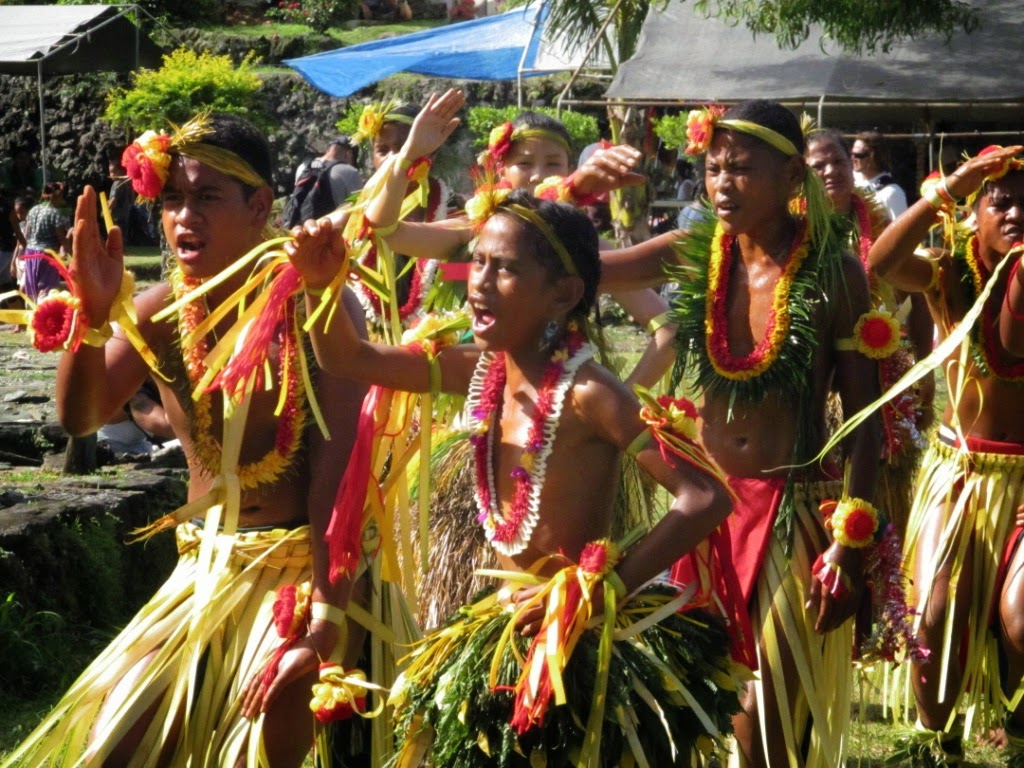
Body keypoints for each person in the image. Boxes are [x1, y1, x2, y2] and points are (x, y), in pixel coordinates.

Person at [286, 175, 742, 763]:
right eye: (476, 262)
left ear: (562, 294)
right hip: (502, 634)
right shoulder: (482, 371)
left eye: (505, 269)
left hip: (577, 650)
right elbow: (350, 358)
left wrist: (599, 593)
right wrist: (320, 286)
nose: (479, 282)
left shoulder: (588, 392)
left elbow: (705, 495)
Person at [0, 113, 368, 768]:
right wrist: (91, 314)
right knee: (112, 744)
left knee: (255, 750)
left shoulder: (317, 305)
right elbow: (82, 416)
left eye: (206, 198)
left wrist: (325, 625)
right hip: (202, 570)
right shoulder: (159, 313)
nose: (182, 218)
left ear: (260, 206)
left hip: (301, 573)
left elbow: (336, 477)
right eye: (171, 199)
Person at [597, 100, 883, 768]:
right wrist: (571, 194)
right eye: (714, 167)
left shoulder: (835, 275)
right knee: (698, 711)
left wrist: (848, 543)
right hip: (706, 512)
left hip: (792, 514)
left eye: (743, 169)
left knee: (770, 727)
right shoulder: (693, 256)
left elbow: (866, 423)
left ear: (791, 178)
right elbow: (586, 268)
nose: (724, 183)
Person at [867, 144, 1024, 763]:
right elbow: (881, 261)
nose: (1015, 213)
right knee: (931, 619)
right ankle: (938, 748)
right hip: (959, 473)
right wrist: (952, 188)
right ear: (973, 216)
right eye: (1001, 202)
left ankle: (1016, 730)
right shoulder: (947, 273)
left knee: (1021, 620)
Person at [805, 128, 933, 534]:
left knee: (883, 507)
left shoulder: (877, 223)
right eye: (818, 165)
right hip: (816, 387)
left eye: (839, 161)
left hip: (883, 380)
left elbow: (917, 296)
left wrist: (923, 374)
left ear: (853, 165)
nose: (830, 172)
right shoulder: (790, 232)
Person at [19, 181, 71, 301]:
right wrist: (68, 251)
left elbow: (26, 234)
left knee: (32, 287)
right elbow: (61, 237)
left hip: (30, 253)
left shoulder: (33, 210)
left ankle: (32, 313)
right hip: (46, 255)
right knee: (47, 289)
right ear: (57, 195)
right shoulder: (55, 214)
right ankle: (44, 314)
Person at [852, 130, 909, 220]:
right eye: (851, 154)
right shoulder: (851, 179)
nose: (852, 158)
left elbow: (903, 230)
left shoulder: (892, 193)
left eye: (858, 155)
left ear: (873, 156)